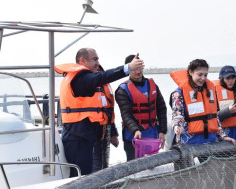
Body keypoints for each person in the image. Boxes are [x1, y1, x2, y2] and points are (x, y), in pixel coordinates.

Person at [55, 48, 144, 177]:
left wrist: (113, 133)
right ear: (82, 60)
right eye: (94, 59)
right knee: (80, 177)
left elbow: (105, 110)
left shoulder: (85, 77)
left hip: (87, 137)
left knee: (88, 174)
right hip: (77, 138)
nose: (98, 63)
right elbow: (102, 77)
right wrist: (128, 67)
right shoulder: (80, 78)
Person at [170, 59, 235, 159]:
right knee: (190, 174)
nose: (203, 78)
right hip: (188, 144)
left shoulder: (210, 91)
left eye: (205, 75)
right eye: (199, 75)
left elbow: (214, 116)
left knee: (211, 173)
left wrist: (223, 136)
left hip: (210, 142)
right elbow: (177, 115)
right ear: (191, 72)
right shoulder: (178, 93)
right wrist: (177, 126)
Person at [115, 54, 167, 162]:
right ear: (128, 69)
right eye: (134, 69)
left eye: (140, 68)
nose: (138, 72)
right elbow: (126, 115)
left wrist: (162, 130)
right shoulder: (122, 90)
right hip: (133, 136)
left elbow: (161, 108)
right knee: (134, 166)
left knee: (152, 165)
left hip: (152, 134)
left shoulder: (152, 85)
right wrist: (135, 130)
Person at [92, 64, 119, 172]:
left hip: (106, 129)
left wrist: (114, 134)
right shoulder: (87, 87)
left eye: (100, 70)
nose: (98, 71)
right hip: (93, 130)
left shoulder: (105, 87)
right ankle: (95, 185)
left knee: (105, 160)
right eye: (95, 69)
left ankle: (104, 182)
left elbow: (109, 113)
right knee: (95, 162)